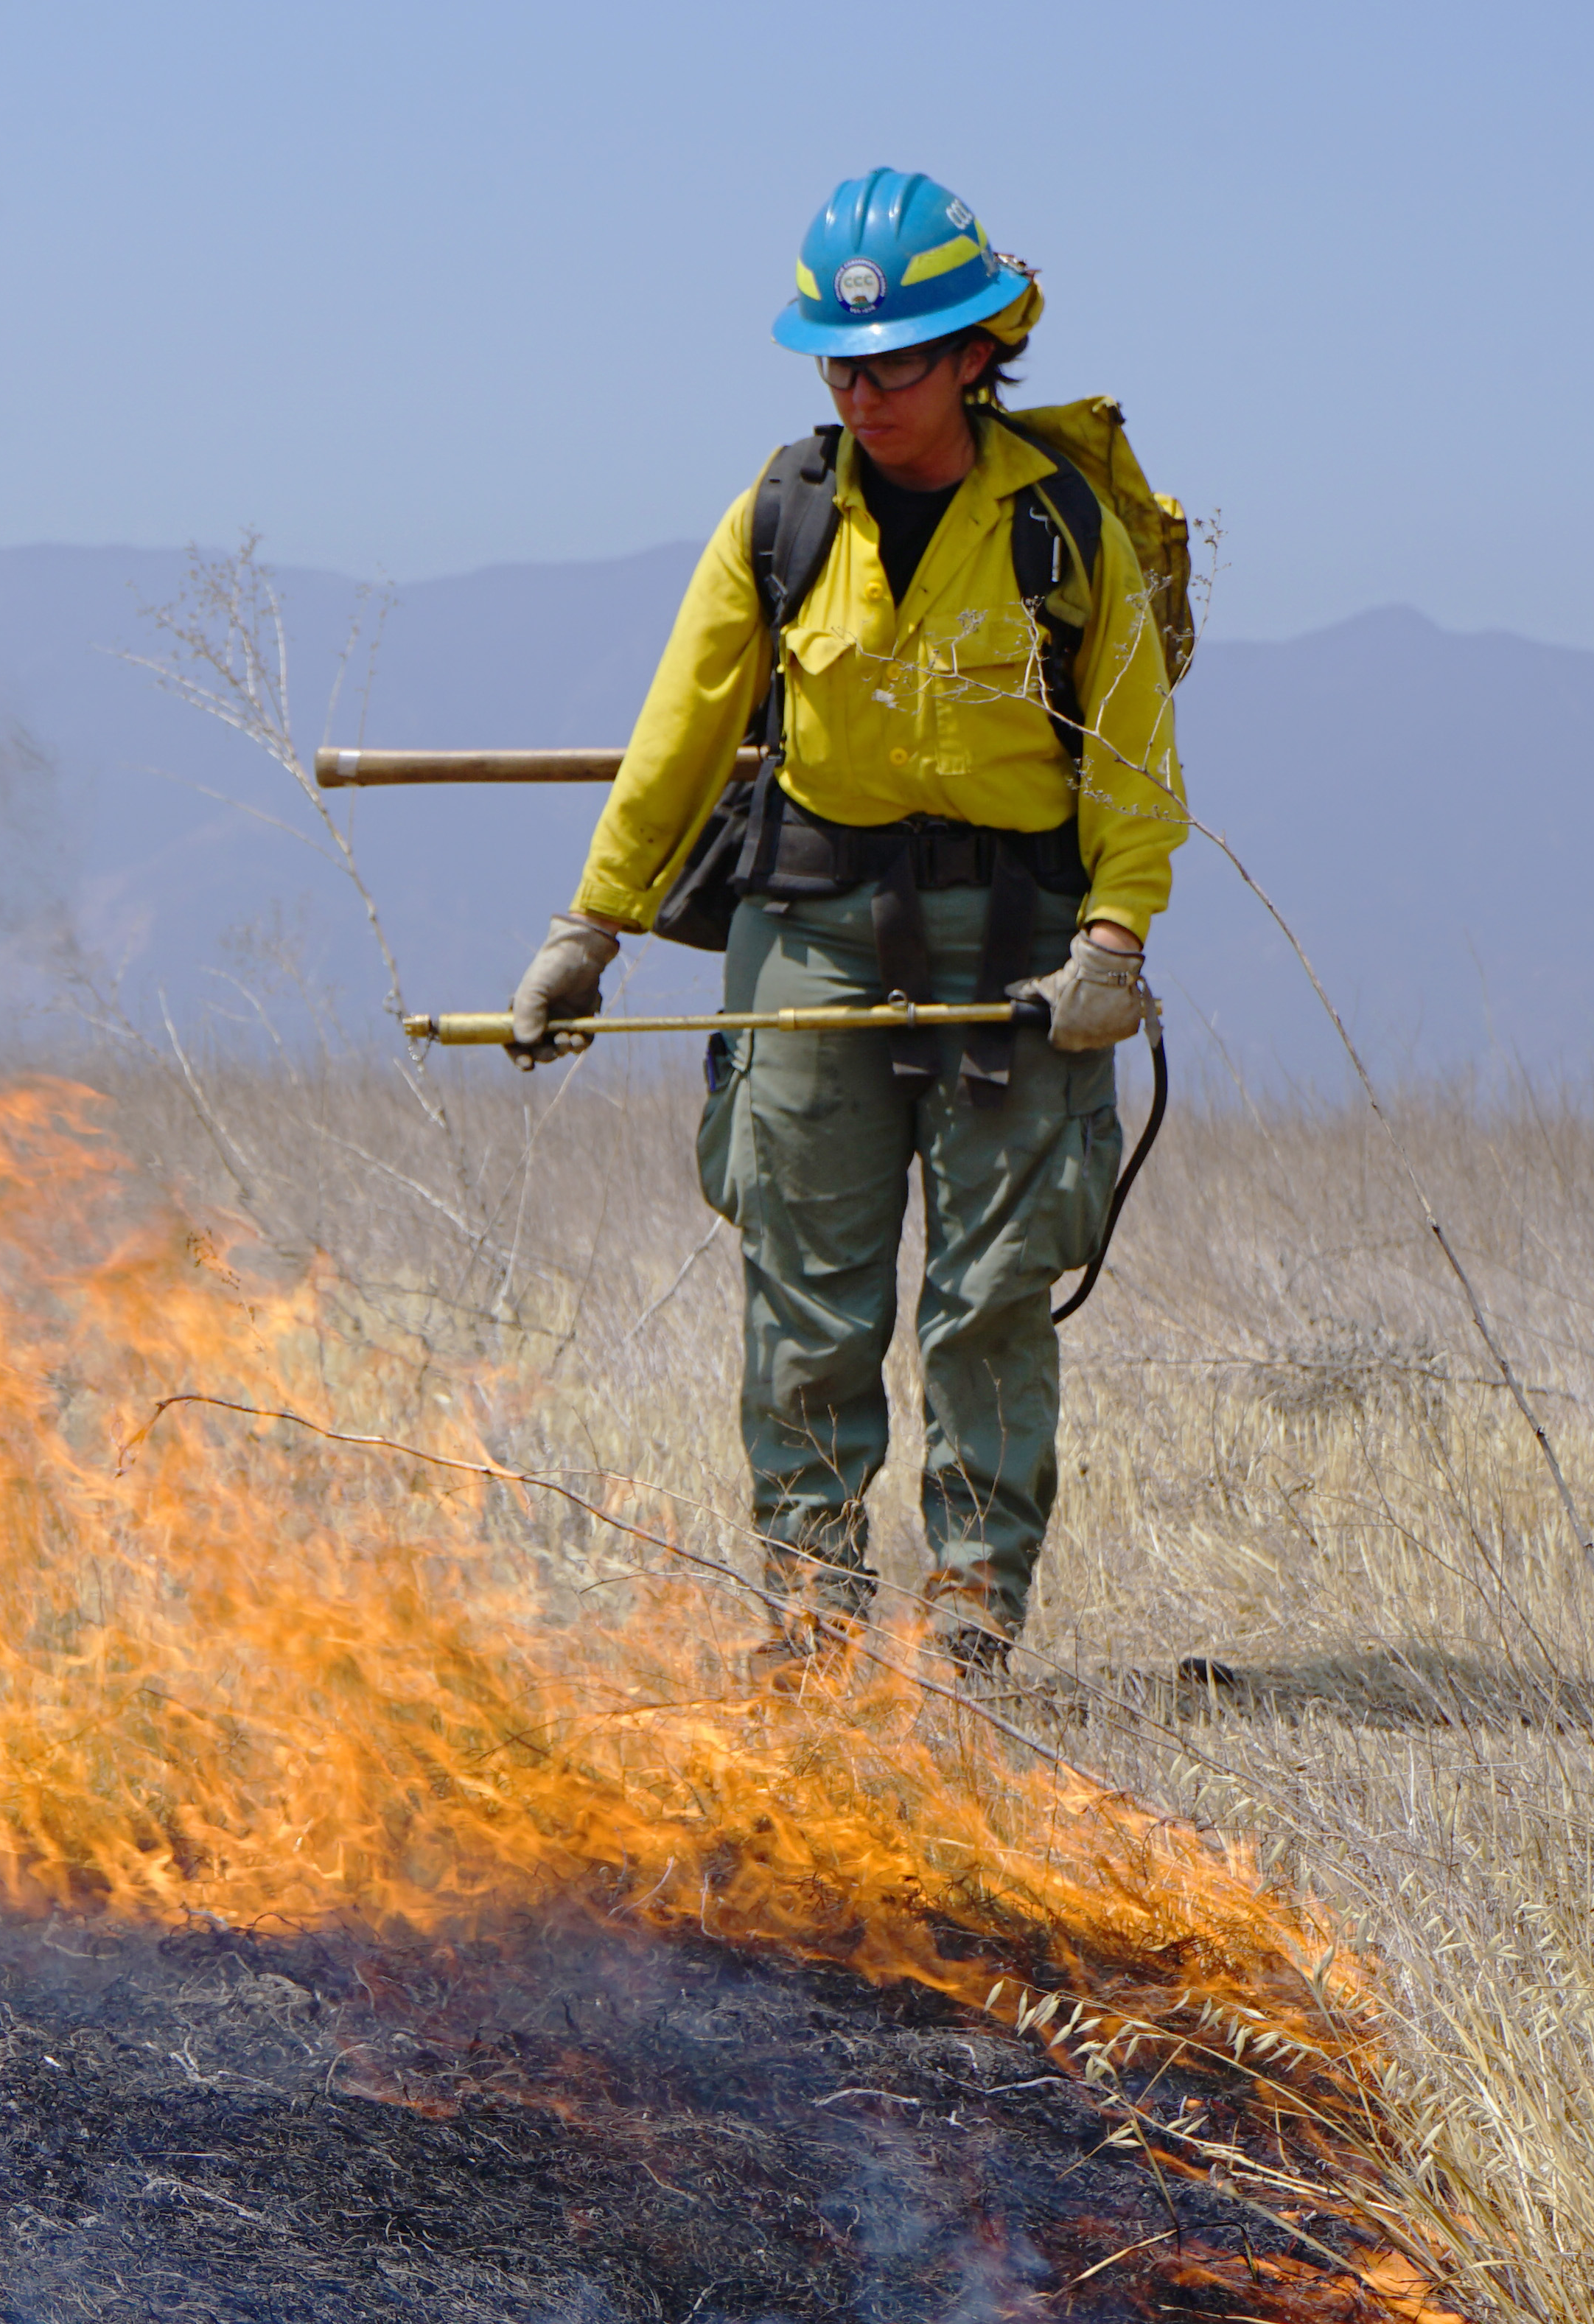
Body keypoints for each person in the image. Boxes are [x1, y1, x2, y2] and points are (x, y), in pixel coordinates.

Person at [508, 168, 1181, 1683]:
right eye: (838, 361)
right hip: (810, 930)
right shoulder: (783, 511)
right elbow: (678, 728)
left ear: (969, 357)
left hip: (1020, 949)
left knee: (991, 1289)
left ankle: (969, 1607)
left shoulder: (1065, 527)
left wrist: (1114, 943)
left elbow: (1136, 762)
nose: (861, 389)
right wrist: (587, 928)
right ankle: (810, 1600)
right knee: (806, 1282)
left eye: (891, 360)